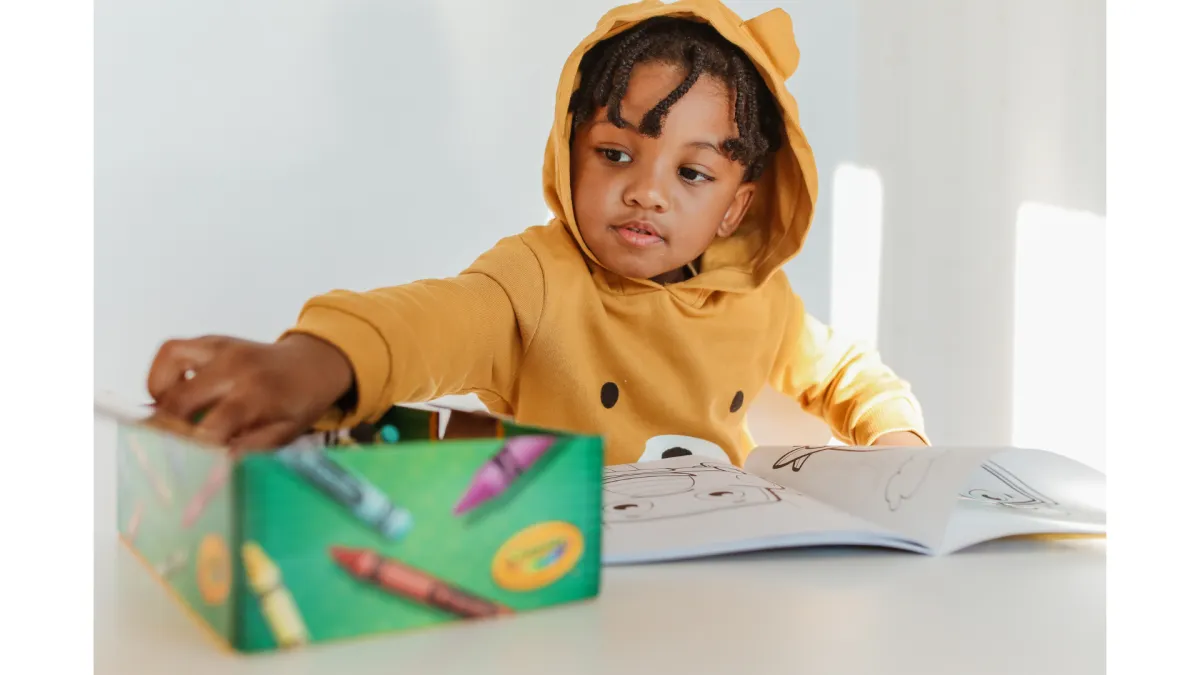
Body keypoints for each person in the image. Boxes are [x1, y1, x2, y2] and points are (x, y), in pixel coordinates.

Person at [144, 0, 929, 466]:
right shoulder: (539, 278)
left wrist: (896, 439)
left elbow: (847, 373)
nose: (646, 190)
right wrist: (312, 362)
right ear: (568, 150)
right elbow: (430, 322)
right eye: (615, 153)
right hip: (561, 576)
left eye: (692, 172)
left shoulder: (763, 304)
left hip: (718, 583)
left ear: (735, 207)